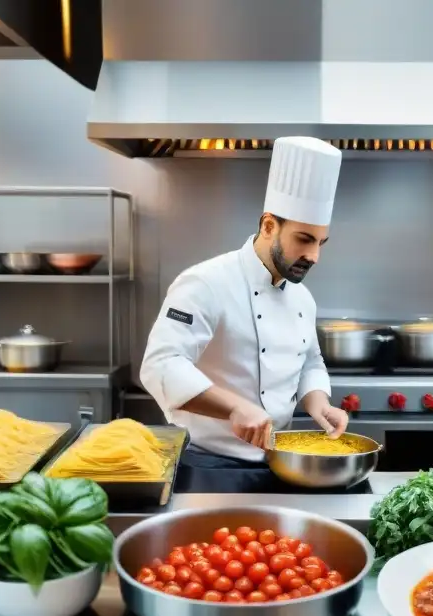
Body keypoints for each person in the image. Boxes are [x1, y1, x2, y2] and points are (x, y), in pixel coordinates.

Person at [140, 136, 348, 493]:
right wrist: (235, 407)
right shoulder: (205, 282)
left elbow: (309, 361)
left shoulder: (302, 298)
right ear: (269, 225)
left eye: (319, 243)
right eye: (303, 239)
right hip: (207, 465)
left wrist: (319, 403)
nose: (314, 256)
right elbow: (161, 365)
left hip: (279, 463)